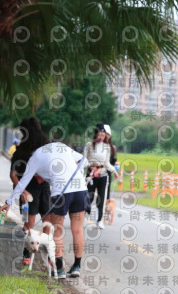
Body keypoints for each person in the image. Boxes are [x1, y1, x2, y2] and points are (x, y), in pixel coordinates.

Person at [1, 118, 90, 279]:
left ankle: (60, 269)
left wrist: (8, 202)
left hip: (61, 193)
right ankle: (76, 266)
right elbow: (84, 160)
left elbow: (22, 183)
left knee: (57, 230)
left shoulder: (36, 156)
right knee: (77, 229)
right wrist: (72, 173)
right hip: (80, 189)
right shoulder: (61, 146)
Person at [9, 118, 52, 265]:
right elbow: (13, 174)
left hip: (44, 187)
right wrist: (22, 191)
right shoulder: (21, 151)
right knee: (29, 223)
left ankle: (47, 253)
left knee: (47, 221)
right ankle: (25, 252)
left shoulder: (46, 148)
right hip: (28, 190)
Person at [83, 124, 119, 229]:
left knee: (102, 198)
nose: (101, 138)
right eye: (99, 135)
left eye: (103, 136)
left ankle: (100, 220)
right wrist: (91, 166)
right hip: (91, 175)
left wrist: (114, 171)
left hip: (103, 175)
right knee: (88, 197)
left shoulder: (107, 147)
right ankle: (83, 215)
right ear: (95, 134)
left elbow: (107, 163)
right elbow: (84, 160)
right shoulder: (89, 145)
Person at [103, 124, 118, 200]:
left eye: (108, 134)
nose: (106, 136)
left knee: (106, 191)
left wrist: (116, 163)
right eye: (105, 134)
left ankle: (106, 205)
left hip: (108, 171)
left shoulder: (113, 148)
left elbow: (113, 161)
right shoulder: (98, 146)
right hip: (97, 171)